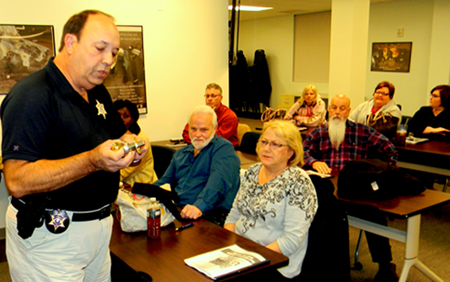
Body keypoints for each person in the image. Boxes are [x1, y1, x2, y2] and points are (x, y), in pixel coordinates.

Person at [0, 10, 149, 282]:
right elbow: (17, 180)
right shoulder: (31, 95)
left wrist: (135, 149)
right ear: (70, 43)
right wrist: (93, 161)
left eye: (114, 53)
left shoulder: (97, 90)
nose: (109, 61)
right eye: (100, 48)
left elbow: (120, 140)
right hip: (51, 241)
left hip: (100, 229)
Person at [303, 94, 399, 282]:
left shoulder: (362, 131)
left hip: (355, 187)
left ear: (348, 111)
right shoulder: (319, 132)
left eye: (342, 108)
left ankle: (385, 264)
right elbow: (304, 151)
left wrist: (386, 174)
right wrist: (313, 162)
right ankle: (321, 263)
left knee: (375, 214)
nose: (337, 112)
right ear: (329, 110)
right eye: (334, 108)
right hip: (328, 187)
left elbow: (390, 148)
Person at [224, 120, 318, 280]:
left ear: (291, 152)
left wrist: (249, 259)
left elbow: (291, 240)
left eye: (276, 144)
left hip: (275, 263)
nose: (267, 148)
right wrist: (228, 249)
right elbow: (234, 216)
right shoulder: (252, 172)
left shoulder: (298, 182)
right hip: (239, 253)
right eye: (264, 142)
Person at [155, 105, 240, 226]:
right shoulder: (181, 153)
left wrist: (199, 206)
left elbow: (217, 185)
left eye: (204, 130)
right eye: (193, 129)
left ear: (215, 128)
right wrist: (144, 193)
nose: (197, 134)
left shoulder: (223, 149)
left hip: (208, 216)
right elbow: (165, 181)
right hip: (179, 211)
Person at [114, 99, 158, 186]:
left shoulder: (140, 141)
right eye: (118, 115)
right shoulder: (114, 136)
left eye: (126, 116)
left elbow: (125, 171)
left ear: (133, 119)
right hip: (124, 185)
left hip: (142, 189)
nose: (121, 120)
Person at [182, 83, 239, 147]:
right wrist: (198, 141)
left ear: (221, 98)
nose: (209, 99)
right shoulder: (200, 113)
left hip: (223, 150)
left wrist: (196, 139)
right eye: (207, 96)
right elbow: (185, 134)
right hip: (201, 148)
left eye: (213, 96)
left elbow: (215, 139)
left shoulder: (229, 116)